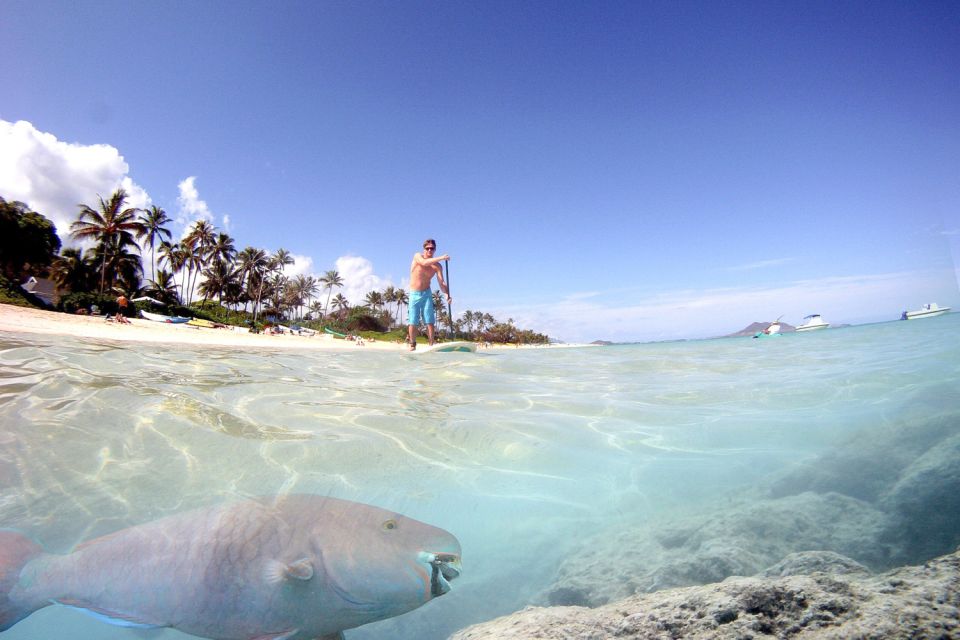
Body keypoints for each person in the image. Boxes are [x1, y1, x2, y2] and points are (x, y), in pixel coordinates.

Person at [407, 238, 451, 350]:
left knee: (430, 321)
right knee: (413, 321)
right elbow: (424, 262)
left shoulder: (437, 266)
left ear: (435, 249)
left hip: (427, 293)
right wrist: (442, 257)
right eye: (428, 248)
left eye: (432, 248)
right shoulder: (417, 256)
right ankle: (412, 343)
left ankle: (431, 345)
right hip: (414, 293)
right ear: (424, 249)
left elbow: (441, 282)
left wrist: (446, 294)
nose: (430, 250)